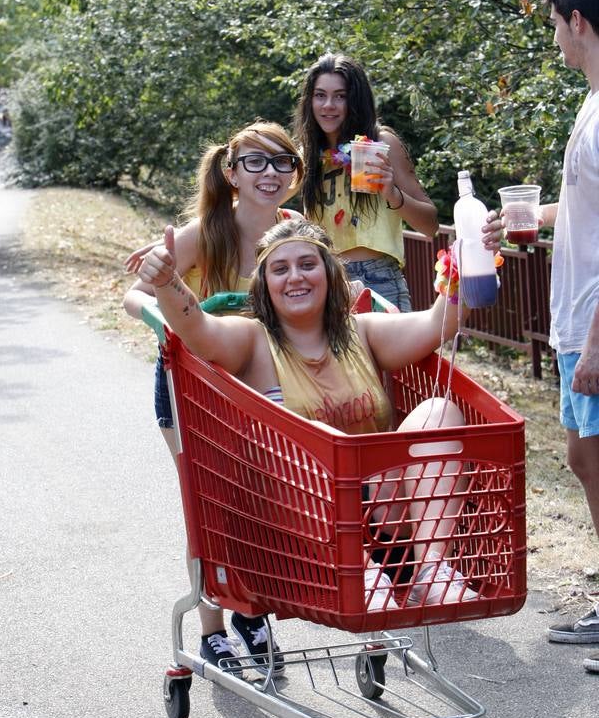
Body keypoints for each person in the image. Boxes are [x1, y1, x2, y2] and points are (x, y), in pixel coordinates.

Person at [136, 215, 504, 617]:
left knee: (440, 411)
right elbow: (197, 329)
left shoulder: (361, 332)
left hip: (376, 522)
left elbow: (439, 323)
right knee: (293, 435)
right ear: (265, 284)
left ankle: (431, 570)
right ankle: (358, 575)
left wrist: (470, 260)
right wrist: (167, 281)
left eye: (307, 265)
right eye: (280, 269)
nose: (295, 277)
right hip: (300, 536)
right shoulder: (252, 341)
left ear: (328, 273)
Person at [123, 120, 304, 675]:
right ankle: (212, 631)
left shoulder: (296, 229)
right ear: (231, 172)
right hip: (193, 386)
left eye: (282, 162)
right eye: (255, 162)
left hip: (260, 382)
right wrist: (164, 318)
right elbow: (135, 292)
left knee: (257, 505)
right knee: (207, 507)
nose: (269, 173)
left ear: (295, 176)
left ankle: (250, 610)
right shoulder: (206, 233)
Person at [539, 0, 599, 674]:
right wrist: (521, 219)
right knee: (585, 459)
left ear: (578, 22)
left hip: (592, 325)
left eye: (556, 25)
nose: (555, 38)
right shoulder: (589, 103)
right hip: (574, 318)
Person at [293, 52, 438, 310]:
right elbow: (264, 199)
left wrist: (392, 194)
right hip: (325, 281)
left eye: (340, 96)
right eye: (320, 95)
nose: (328, 105)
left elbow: (430, 225)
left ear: (355, 101)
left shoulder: (382, 143)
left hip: (378, 279)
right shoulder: (307, 156)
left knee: (390, 353)